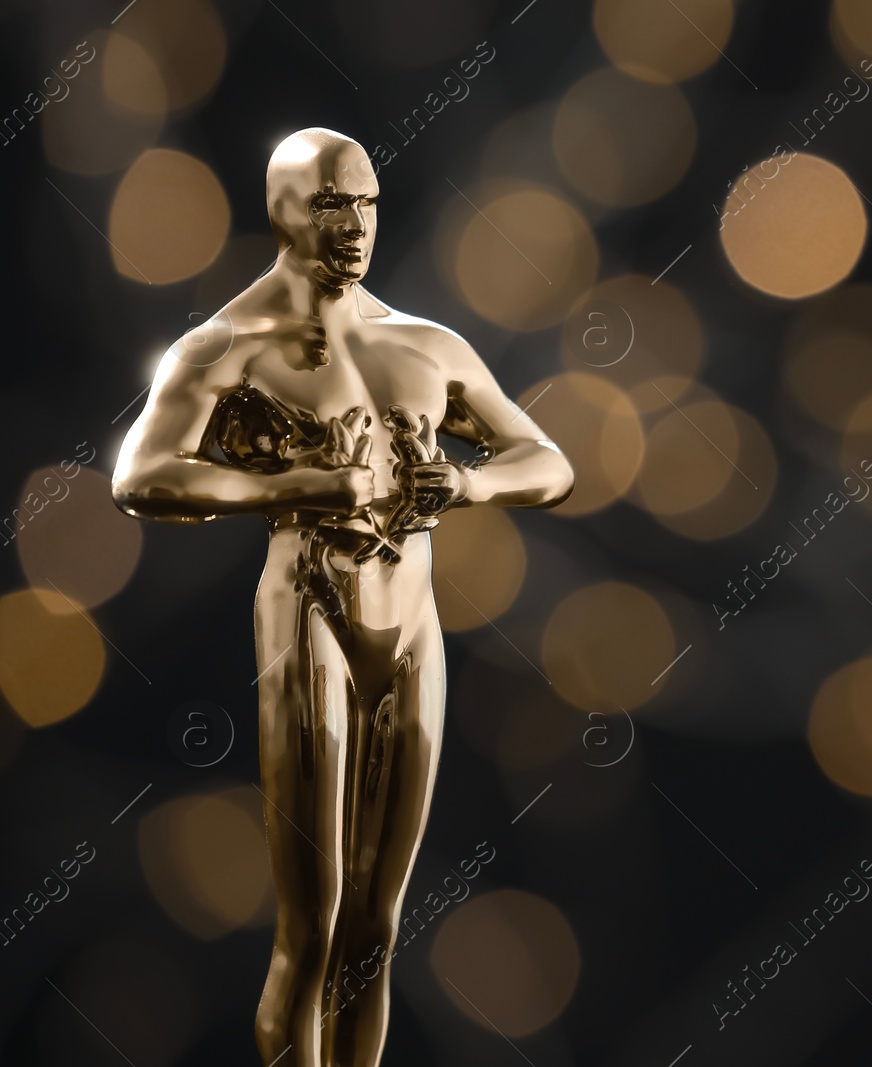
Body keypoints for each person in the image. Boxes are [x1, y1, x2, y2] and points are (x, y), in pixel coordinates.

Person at [111, 127, 574, 1067]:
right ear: (284, 210)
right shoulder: (229, 346)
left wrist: (470, 485)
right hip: (307, 611)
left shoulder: (426, 344)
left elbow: (548, 458)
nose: (353, 224)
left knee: (379, 922)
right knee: (311, 926)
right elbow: (142, 476)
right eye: (330, 203)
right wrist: (292, 488)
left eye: (364, 203)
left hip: (412, 625)